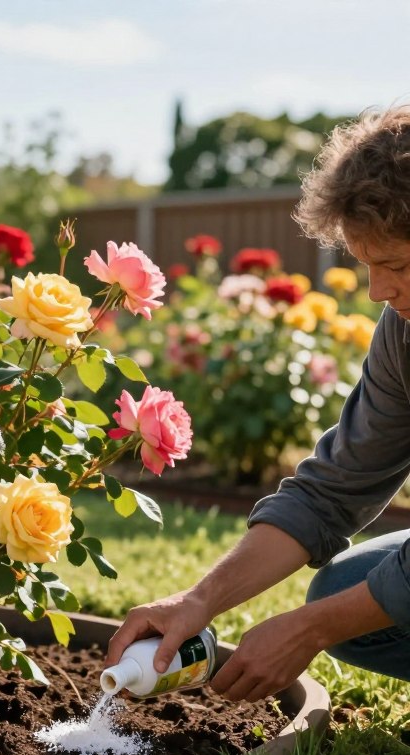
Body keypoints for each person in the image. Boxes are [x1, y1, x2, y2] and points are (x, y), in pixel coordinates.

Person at [107, 104, 410, 702]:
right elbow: (332, 491)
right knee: (343, 589)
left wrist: (310, 630)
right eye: (368, 267)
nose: (378, 290)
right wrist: (198, 600)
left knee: (340, 608)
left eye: (396, 265)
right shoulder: (404, 330)